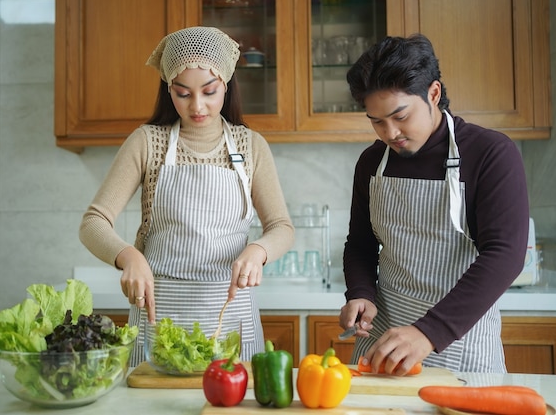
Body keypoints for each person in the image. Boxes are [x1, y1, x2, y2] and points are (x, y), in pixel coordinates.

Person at [79, 26, 294, 365]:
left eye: (209, 91)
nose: (198, 106)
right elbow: (93, 222)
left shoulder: (250, 145)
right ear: (169, 91)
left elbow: (282, 226)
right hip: (160, 317)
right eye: (183, 93)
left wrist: (258, 250)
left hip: (231, 316)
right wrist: (128, 257)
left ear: (226, 84)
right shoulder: (148, 142)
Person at [339, 34, 529, 373]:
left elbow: (505, 255)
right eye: (377, 121)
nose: (390, 132)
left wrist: (428, 332)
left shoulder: (490, 154)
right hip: (382, 340)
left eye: (400, 116)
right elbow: (360, 243)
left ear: (434, 93)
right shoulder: (372, 162)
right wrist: (361, 292)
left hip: (461, 341)